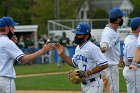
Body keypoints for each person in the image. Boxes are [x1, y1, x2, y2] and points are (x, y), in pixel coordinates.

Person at [0, 16, 54, 93]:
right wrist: (42, 51)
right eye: (12, 26)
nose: (14, 28)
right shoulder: (7, 42)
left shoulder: (6, 42)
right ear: (6, 27)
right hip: (5, 81)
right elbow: (23, 59)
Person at [55, 22, 108, 93]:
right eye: (76, 34)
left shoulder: (92, 48)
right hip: (84, 84)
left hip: (94, 84)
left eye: (79, 34)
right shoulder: (78, 48)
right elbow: (74, 63)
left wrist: (88, 72)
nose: (76, 36)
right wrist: (62, 54)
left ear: (86, 36)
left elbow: (104, 64)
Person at [100, 8, 125, 93]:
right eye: (121, 17)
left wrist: (120, 58)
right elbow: (104, 43)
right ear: (118, 19)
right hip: (109, 68)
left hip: (110, 66)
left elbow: (114, 47)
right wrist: (104, 47)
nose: (122, 19)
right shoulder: (108, 32)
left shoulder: (112, 30)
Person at [123, 17, 140, 93]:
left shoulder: (131, 37)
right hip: (133, 71)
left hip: (132, 70)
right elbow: (130, 58)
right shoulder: (133, 41)